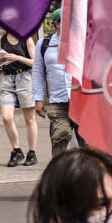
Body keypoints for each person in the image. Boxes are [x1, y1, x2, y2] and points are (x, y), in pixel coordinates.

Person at [0, 29, 40, 166]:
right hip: (7, 80)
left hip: (25, 79)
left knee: (29, 119)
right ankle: (16, 150)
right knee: (6, 117)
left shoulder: (26, 38)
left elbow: (35, 62)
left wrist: (17, 58)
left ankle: (32, 153)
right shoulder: (1, 39)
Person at [33, 13, 78, 156]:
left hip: (81, 100)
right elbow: (38, 72)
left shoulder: (81, 42)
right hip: (58, 101)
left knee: (87, 142)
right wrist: (38, 99)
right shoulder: (44, 44)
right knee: (60, 135)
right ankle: (59, 167)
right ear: (57, 24)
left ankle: (90, 169)